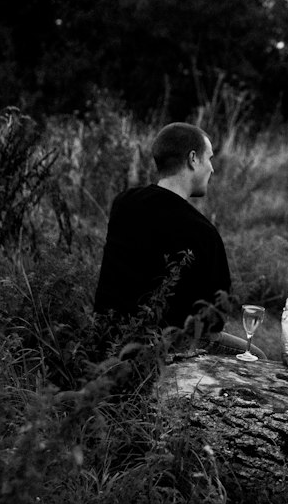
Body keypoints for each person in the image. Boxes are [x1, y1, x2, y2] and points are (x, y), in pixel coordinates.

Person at [94, 122, 263, 357]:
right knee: (256, 357)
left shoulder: (124, 203)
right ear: (193, 159)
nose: (212, 169)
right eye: (209, 159)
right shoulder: (202, 231)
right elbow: (214, 320)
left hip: (108, 336)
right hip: (165, 347)